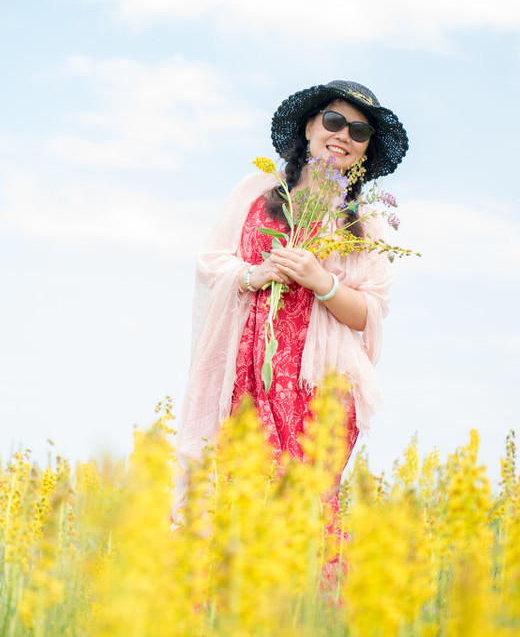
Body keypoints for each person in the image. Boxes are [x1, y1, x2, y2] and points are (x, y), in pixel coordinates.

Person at [175, 80, 409, 511]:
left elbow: (369, 313)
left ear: (365, 150)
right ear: (308, 127)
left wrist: (323, 282)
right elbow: (211, 264)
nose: (343, 136)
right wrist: (253, 274)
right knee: (231, 498)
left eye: (359, 132)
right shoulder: (256, 192)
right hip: (244, 370)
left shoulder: (366, 226)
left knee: (300, 512)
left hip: (319, 385)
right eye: (334, 121)